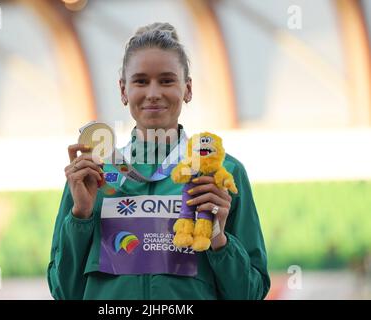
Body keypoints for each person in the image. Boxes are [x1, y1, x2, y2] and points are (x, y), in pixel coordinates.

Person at [47, 22, 270, 300]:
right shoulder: (93, 173)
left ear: (187, 89)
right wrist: (80, 215)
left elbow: (251, 294)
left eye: (166, 80)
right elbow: (63, 292)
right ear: (123, 90)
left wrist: (218, 241)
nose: (153, 93)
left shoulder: (223, 172)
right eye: (140, 81)